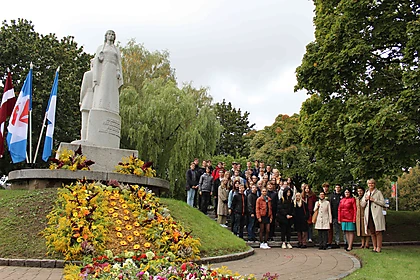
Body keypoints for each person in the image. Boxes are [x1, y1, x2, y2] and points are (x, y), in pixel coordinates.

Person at [92, 30, 123, 114]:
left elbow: (118, 61)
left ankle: (111, 106)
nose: (111, 36)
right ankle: (102, 104)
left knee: (112, 87)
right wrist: (98, 58)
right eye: (109, 34)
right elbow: (96, 60)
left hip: (113, 69)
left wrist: (118, 70)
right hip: (104, 69)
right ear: (106, 36)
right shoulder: (101, 47)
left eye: (113, 34)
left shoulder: (116, 49)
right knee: (103, 86)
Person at [361, 179, 386, 253]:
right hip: (369, 214)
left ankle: (379, 247)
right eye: (369, 184)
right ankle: (374, 246)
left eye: (372, 183)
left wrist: (374, 200)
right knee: (372, 231)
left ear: (374, 184)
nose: (370, 185)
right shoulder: (366, 193)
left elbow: (383, 203)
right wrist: (365, 200)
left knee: (378, 231)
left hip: (376, 214)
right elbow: (362, 204)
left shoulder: (378, 193)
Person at [79, 59, 94, 140]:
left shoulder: (87, 74)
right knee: (92, 124)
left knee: (85, 123)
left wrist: (81, 100)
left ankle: (84, 139)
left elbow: (83, 89)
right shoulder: (99, 76)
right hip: (95, 102)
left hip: (87, 99)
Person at [329, 184, 344, 248]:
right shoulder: (332, 196)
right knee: (336, 230)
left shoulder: (342, 196)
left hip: (343, 216)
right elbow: (331, 206)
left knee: (344, 230)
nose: (337, 188)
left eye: (338, 187)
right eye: (336, 187)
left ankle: (346, 242)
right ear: (335, 188)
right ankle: (337, 242)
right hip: (335, 215)